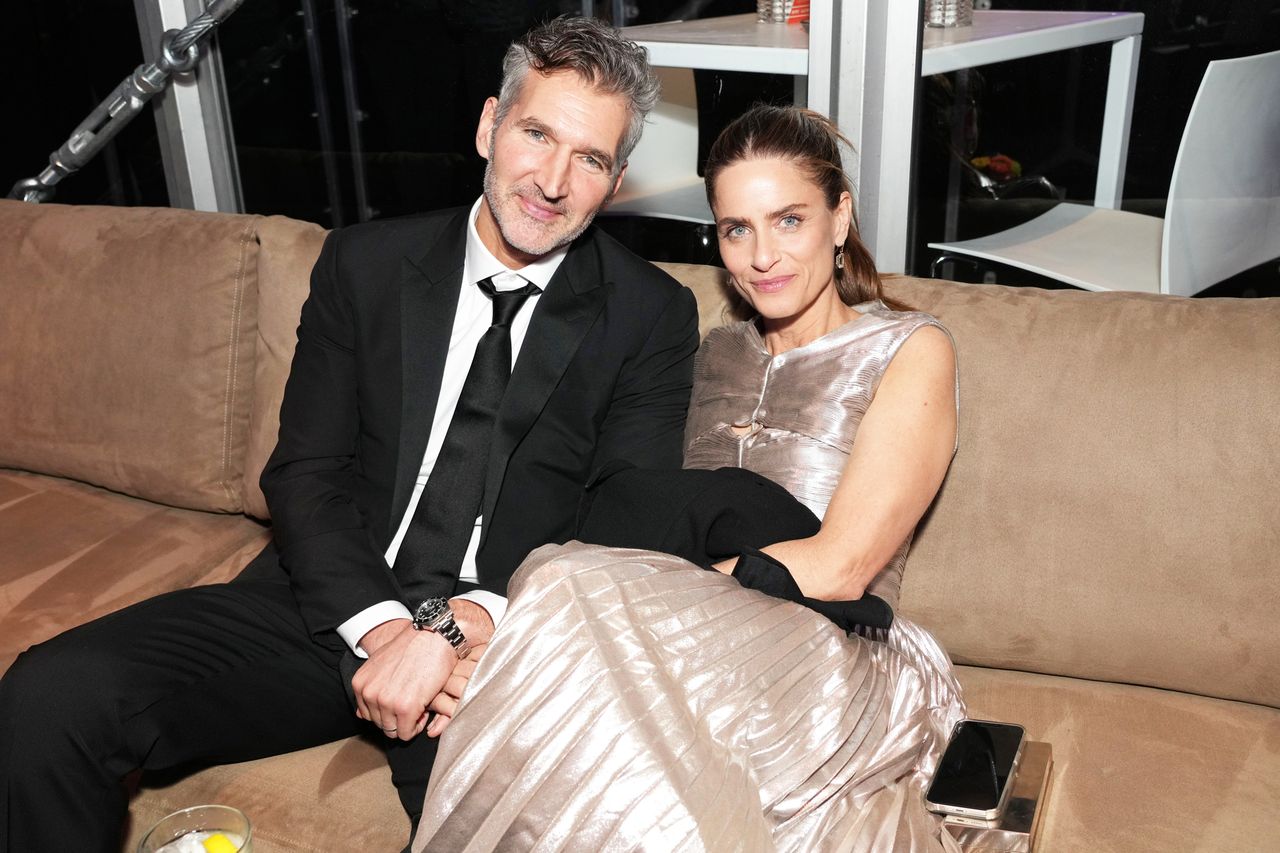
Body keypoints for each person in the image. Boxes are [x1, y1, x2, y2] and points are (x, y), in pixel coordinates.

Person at [0, 17, 699, 851]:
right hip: (326, 601)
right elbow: (305, 472)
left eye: (588, 159)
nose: (551, 179)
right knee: (49, 697)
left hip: (496, 639)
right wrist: (388, 631)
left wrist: (456, 630)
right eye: (536, 133)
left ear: (616, 181)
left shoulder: (650, 315)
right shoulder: (363, 265)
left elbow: (623, 522)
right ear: (489, 125)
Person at [409, 105, 967, 852]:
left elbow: (845, 565)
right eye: (736, 229)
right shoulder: (707, 353)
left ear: (840, 218)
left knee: (564, 580)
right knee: (567, 607)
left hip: (837, 653)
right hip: (692, 647)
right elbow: (632, 508)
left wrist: (604, 620)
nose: (762, 255)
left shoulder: (910, 347)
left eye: (789, 220)